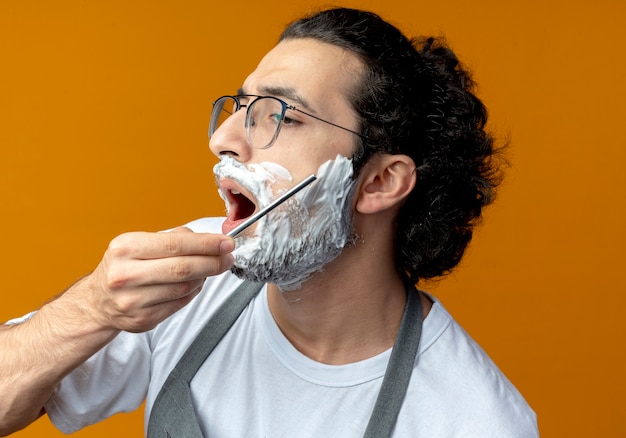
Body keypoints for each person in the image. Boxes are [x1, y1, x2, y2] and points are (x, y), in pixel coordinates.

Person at [0, 7, 538, 437]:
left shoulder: (476, 419)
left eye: (280, 114)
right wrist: (93, 307)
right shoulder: (186, 284)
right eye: (241, 105)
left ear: (378, 182)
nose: (223, 139)